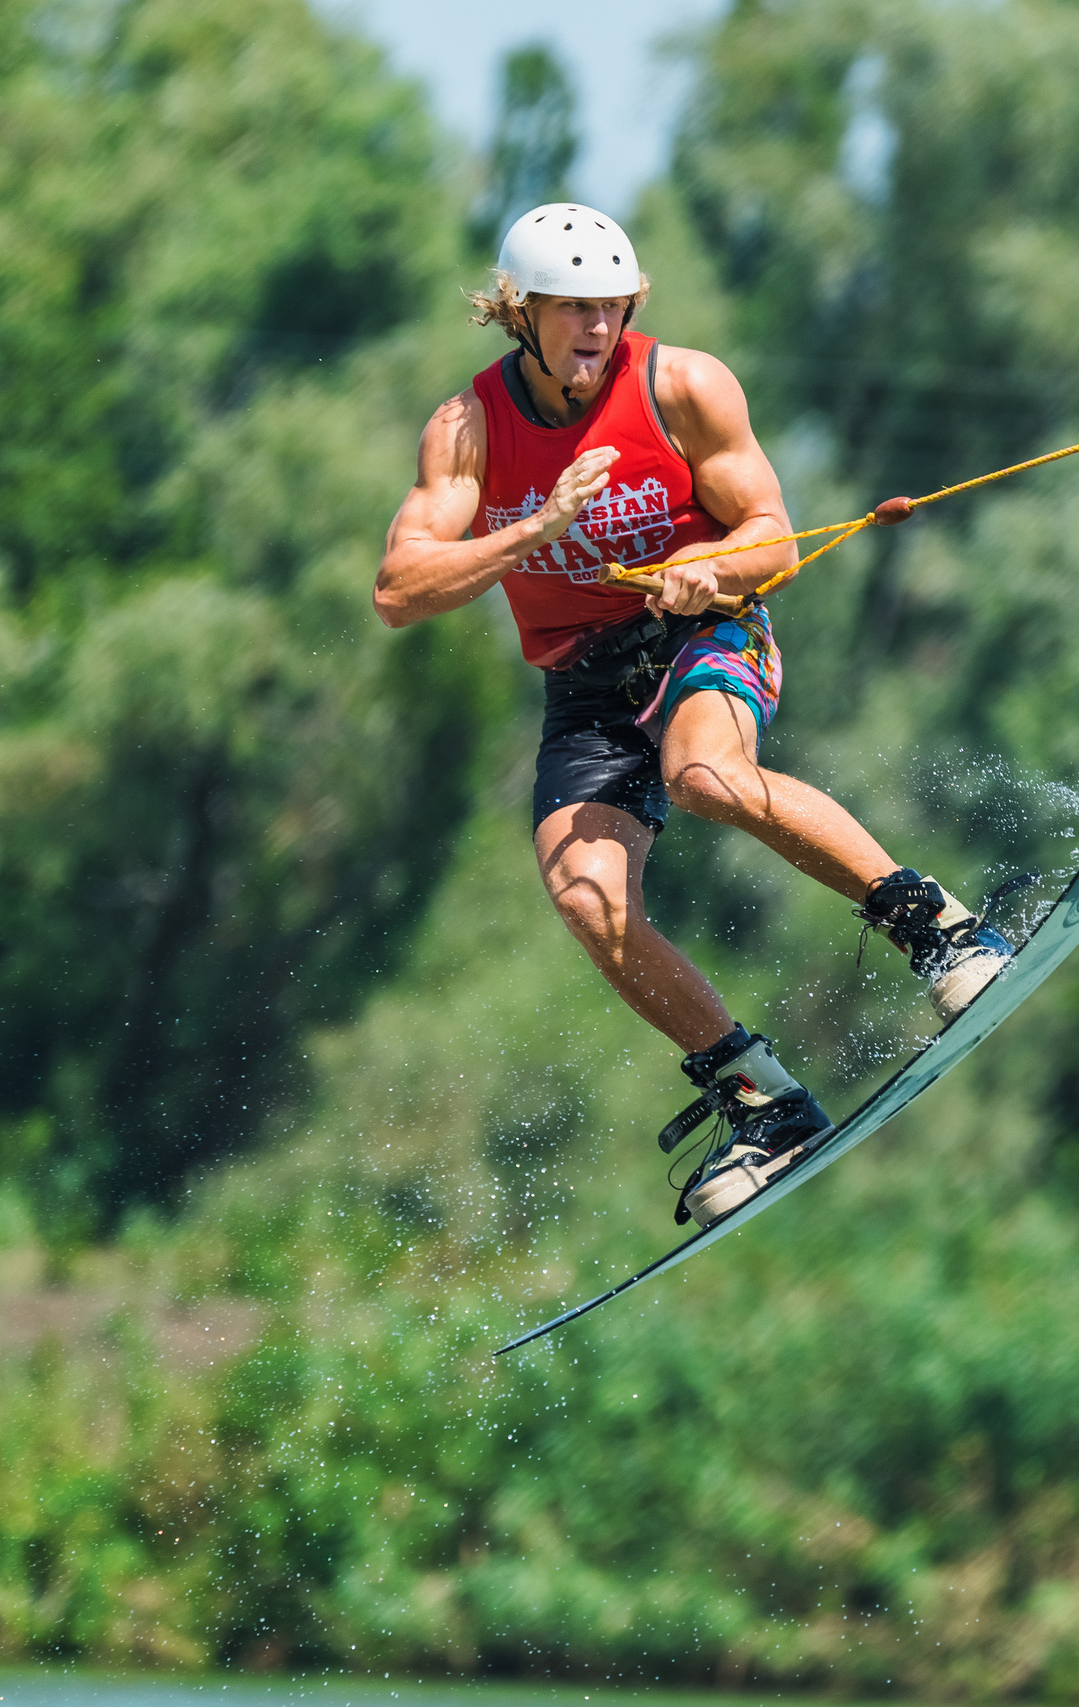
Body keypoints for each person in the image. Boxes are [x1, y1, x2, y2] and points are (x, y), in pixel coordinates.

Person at [374, 203, 1012, 1226]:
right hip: (586, 684)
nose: (596, 327)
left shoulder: (683, 384)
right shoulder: (467, 430)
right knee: (586, 895)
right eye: (572, 308)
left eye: (611, 305)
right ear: (519, 313)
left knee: (704, 776)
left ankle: (939, 931)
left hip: (706, 637)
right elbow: (401, 589)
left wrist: (703, 565)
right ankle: (763, 1102)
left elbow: (774, 538)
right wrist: (537, 526)